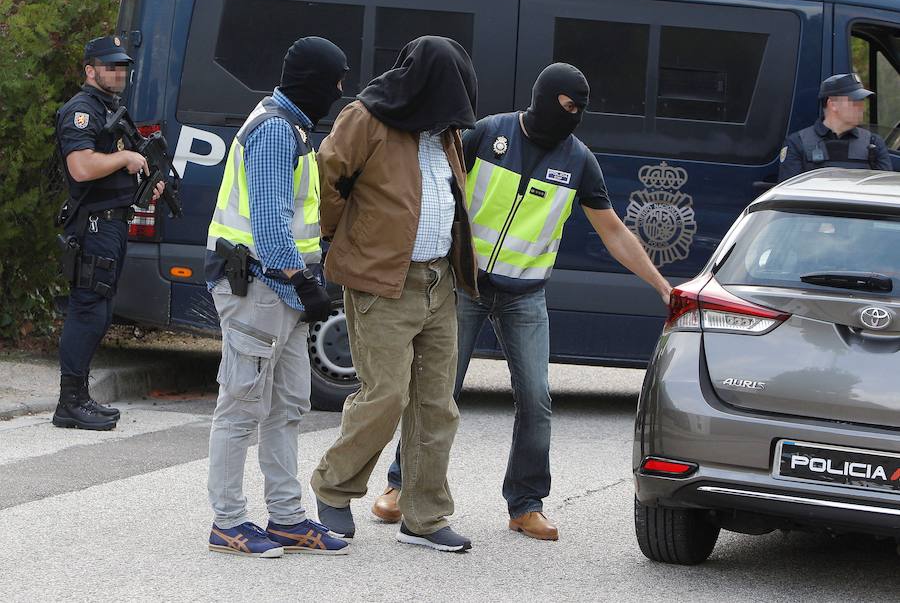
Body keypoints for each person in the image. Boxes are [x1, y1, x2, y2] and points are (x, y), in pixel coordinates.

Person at [372, 62, 672, 542]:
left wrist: (659, 283)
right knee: (437, 391)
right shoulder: (489, 133)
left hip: (526, 294)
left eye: (581, 110)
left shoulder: (579, 160)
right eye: (569, 106)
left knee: (536, 400)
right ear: (545, 97)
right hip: (467, 285)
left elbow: (613, 230)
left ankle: (526, 504)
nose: (575, 116)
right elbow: (431, 190)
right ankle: (400, 485)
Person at [309, 36, 479, 553]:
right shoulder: (366, 117)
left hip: (438, 282)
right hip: (383, 281)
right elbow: (328, 179)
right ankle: (334, 490)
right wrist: (346, 242)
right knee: (385, 395)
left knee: (436, 405)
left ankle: (424, 517)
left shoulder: (444, 130)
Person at [204, 36, 351, 558]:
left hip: (279, 290)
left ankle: (287, 518)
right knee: (241, 406)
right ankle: (228, 521)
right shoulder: (273, 132)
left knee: (287, 405)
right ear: (314, 80)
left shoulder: (290, 127)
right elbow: (269, 228)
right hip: (261, 286)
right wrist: (304, 281)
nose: (339, 91)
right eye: (336, 81)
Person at [53, 36, 164, 431]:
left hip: (112, 223)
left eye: (122, 66)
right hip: (93, 225)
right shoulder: (82, 111)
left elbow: (112, 171)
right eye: (110, 65)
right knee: (87, 311)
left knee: (99, 312)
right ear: (89, 70)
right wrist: (126, 158)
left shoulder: (109, 109)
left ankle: (80, 397)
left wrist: (144, 182)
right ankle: (69, 403)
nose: (119, 72)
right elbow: (82, 168)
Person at [778, 73, 893, 182]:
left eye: (861, 101)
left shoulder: (874, 143)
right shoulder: (797, 143)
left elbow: (883, 191)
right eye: (854, 101)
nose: (861, 107)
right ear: (832, 104)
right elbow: (791, 197)